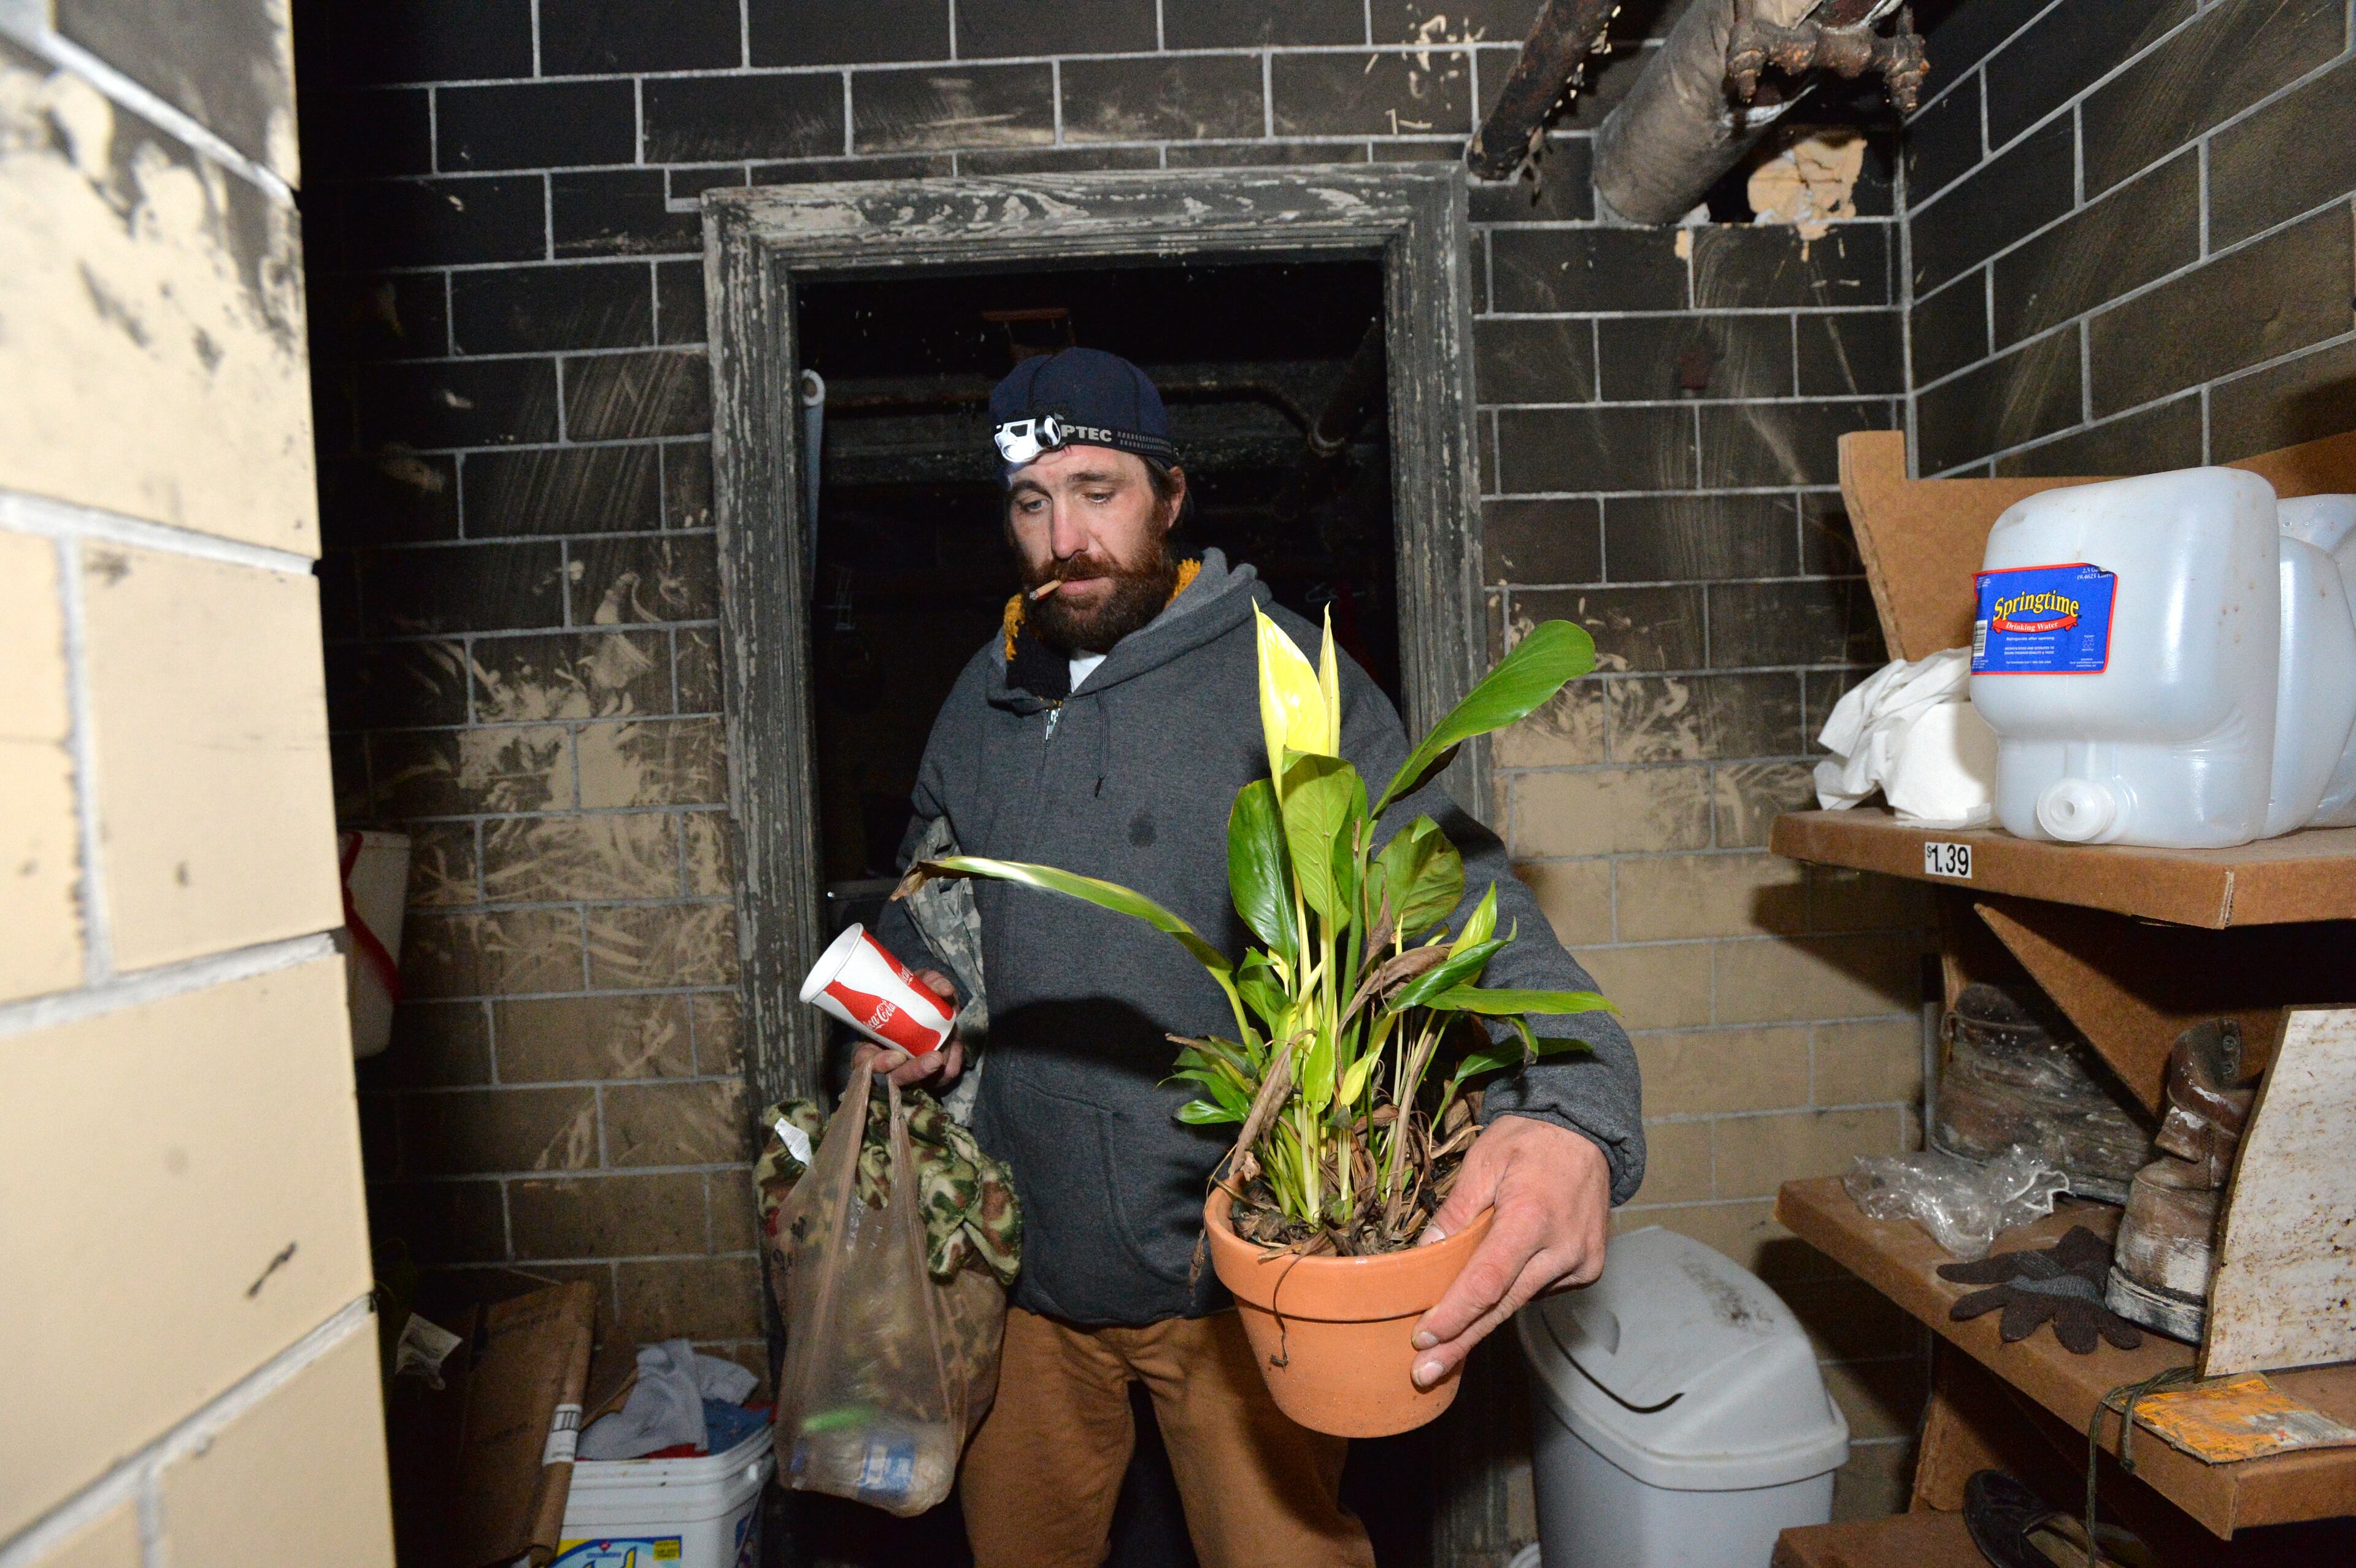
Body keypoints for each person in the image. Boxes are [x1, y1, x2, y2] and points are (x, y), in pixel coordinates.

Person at [863, 347, 1643, 1568]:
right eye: (1031, 500)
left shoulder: (1285, 677)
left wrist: (1566, 1105)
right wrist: (905, 989)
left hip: (1233, 1277)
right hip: (1022, 1266)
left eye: (1098, 489)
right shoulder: (984, 691)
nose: (1066, 534)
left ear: (1171, 498)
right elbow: (933, 884)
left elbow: (1449, 891)